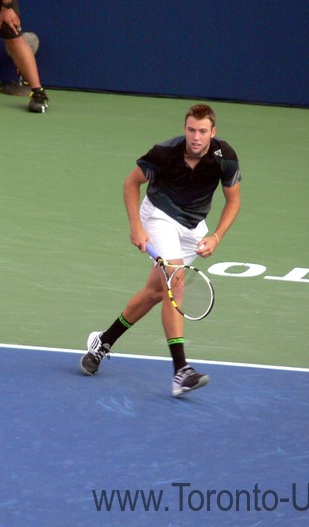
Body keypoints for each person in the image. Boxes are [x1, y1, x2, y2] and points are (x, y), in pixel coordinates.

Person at [80, 104, 241, 397]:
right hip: (159, 216)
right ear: (185, 129)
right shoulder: (165, 153)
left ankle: (103, 341)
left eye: (203, 131)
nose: (196, 137)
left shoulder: (224, 157)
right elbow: (131, 183)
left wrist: (216, 236)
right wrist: (136, 227)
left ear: (212, 133)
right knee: (175, 284)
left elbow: (234, 201)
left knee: (156, 292)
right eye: (191, 129)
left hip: (194, 227)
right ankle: (181, 372)